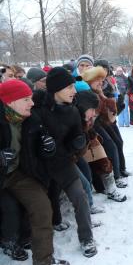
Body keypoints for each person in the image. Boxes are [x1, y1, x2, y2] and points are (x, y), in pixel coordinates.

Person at [0, 79, 70, 265]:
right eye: (25, 99)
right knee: (10, 211)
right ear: (9, 101)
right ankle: (8, 241)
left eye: (31, 98)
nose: (32, 103)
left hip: (17, 175)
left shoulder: (31, 119)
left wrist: (48, 148)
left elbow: (37, 150)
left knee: (42, 208)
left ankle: (44, 260)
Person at [34, 67, 97, 258]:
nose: (74, 91)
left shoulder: (73, 112)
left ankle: (86, 238)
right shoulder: (38, 110)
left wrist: (78, 143)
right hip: (40, 167)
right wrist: (43, 147)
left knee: (80, 197)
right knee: (46, 200)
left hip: (63, 164)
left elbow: (77, 138)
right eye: (70, 87)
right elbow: (29, 142)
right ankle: (52, 224)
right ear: (57, 89)